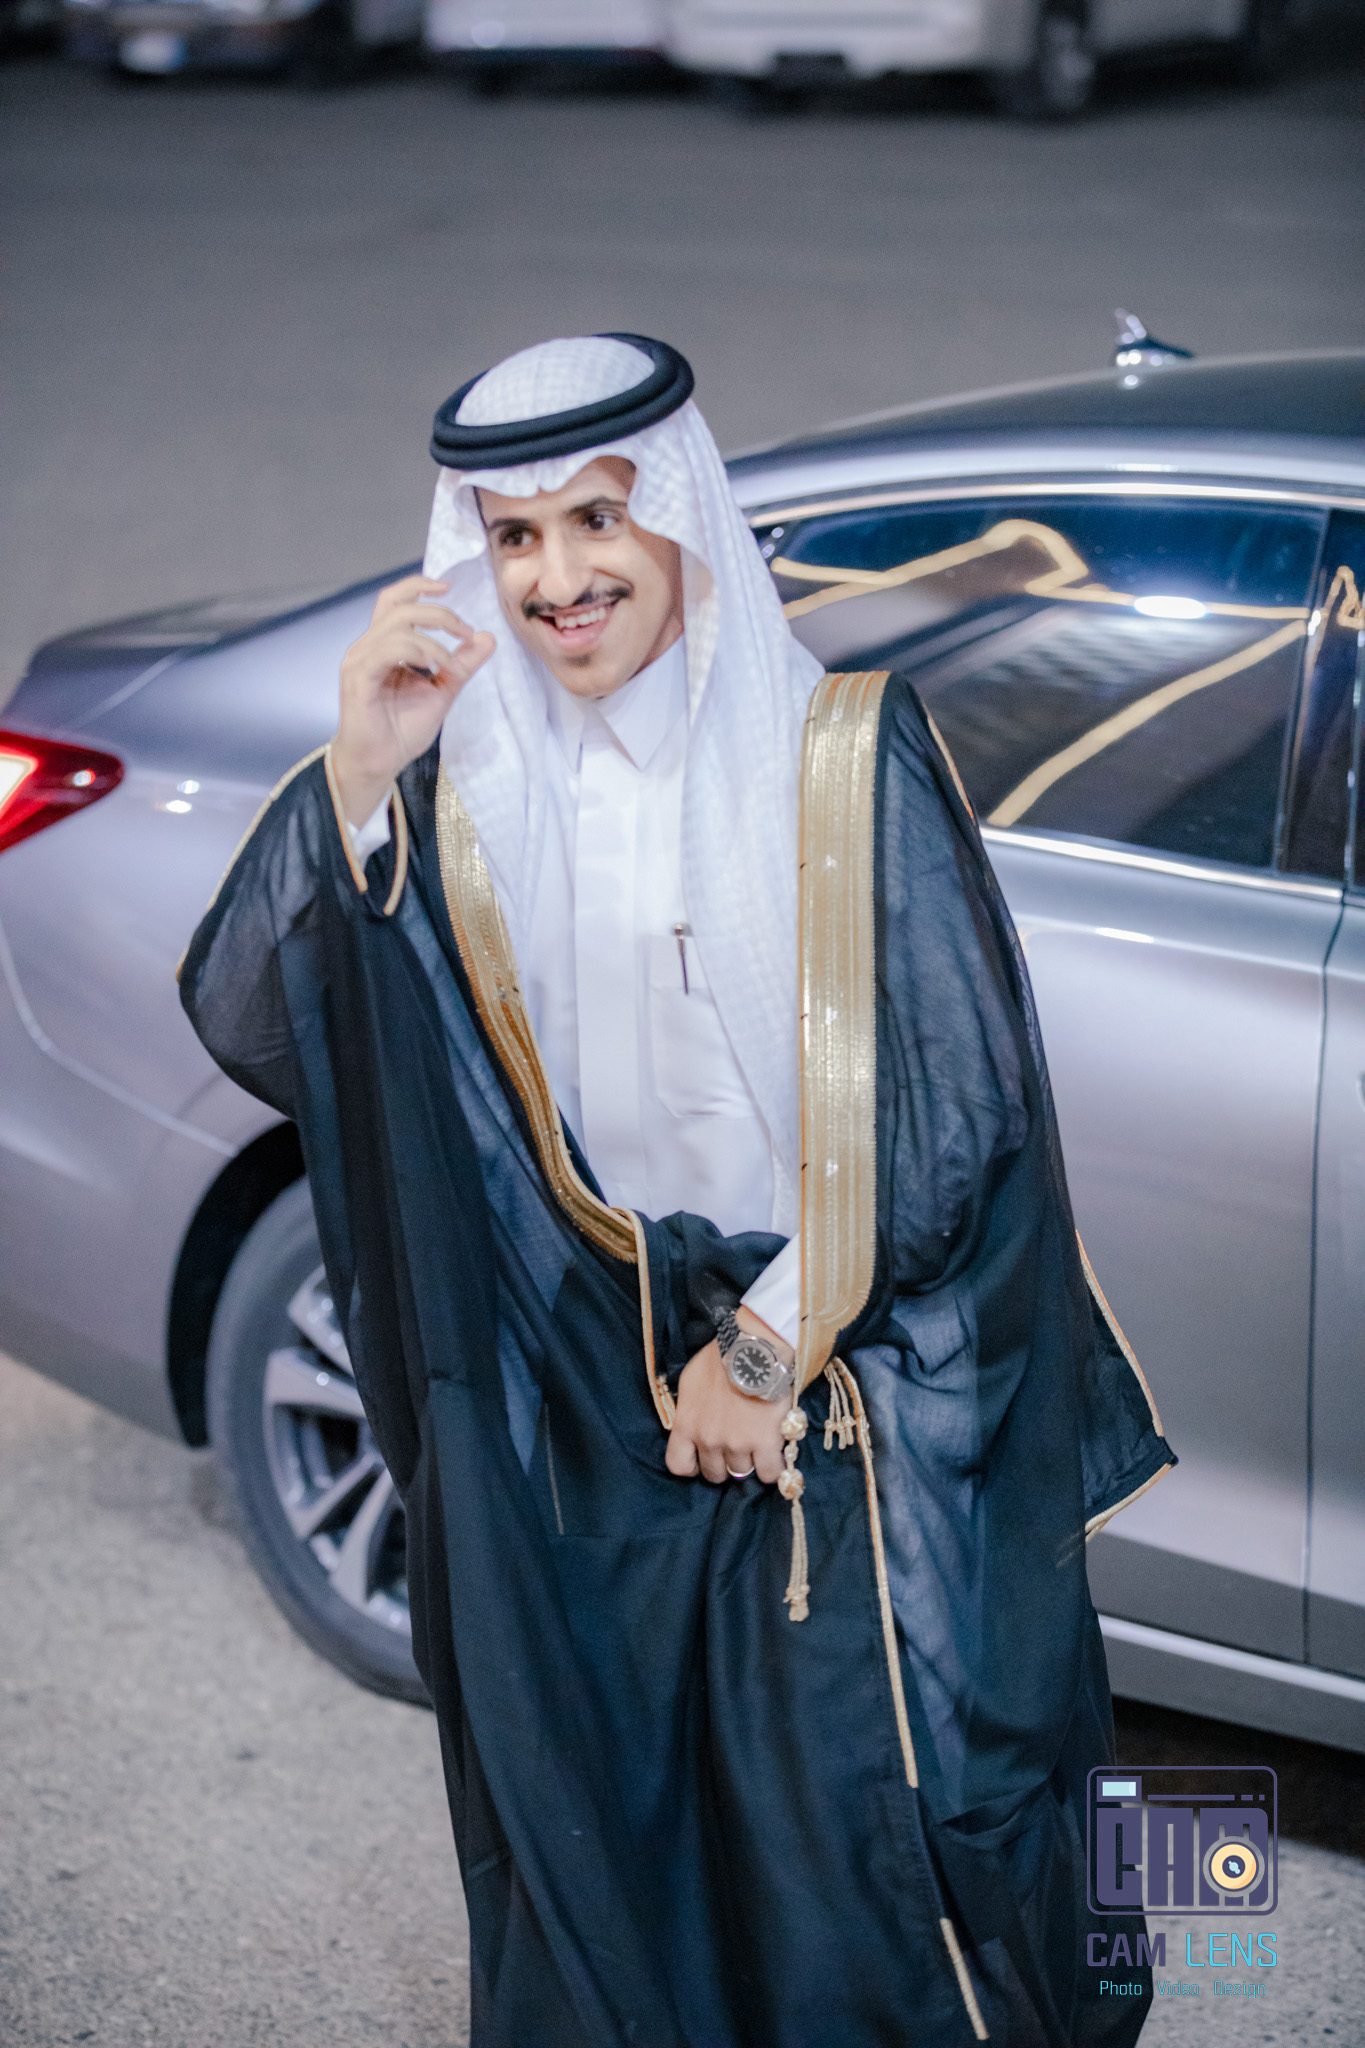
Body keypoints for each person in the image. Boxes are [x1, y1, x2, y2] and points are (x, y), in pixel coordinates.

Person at [180, 333, 1174, 2048]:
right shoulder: (457, 791)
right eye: (512, 536)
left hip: (835, 1378)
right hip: (577, 1391)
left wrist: (763, 1353)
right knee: (616, 1836)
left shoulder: (840, 754)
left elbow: (956, 1112)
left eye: (595, 519)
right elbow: (262, 1014)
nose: (556, 578)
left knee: (897, 1830)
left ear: (681, 518)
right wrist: (357, 771)